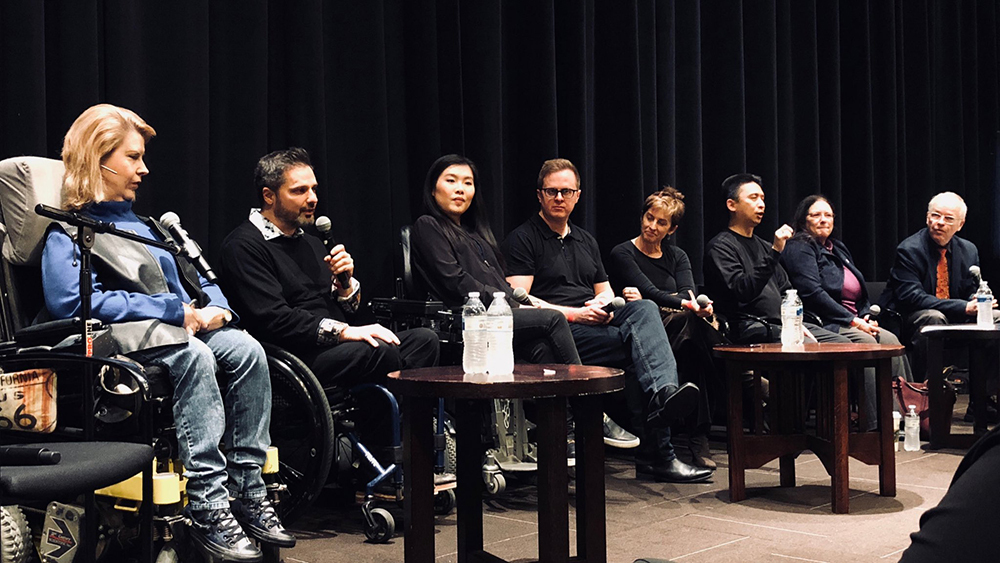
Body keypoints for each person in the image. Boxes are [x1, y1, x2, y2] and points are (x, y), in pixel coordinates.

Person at [42, 104, 292, 563]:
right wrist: (173, 311)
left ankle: (247, 488)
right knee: (193, 355)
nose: (144, 168)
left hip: (173, 332)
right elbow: (71, 303)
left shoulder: (150, 228)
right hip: (114, 345)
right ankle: (209, 503)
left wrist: (214, 308)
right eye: (133, 158)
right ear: (99, 159)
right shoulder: (68, 231)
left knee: (246, 350)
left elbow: (200, 284)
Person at [502, 158, 712, 483]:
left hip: (594, 325)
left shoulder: (586, 240)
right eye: (552, 191)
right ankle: (660, 454)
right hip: (558, 331)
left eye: (566, 191)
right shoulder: (523, 238)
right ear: (540, 195)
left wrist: (603, 304)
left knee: (644, 310)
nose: (559, 198)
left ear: (577, 195)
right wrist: (575, 313)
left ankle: (665, 394)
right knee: (644, 354)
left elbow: (606, 291)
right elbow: (520, 301)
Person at [410, 154, 638, 449]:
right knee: (553, 318)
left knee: (544, 348)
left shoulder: (476, 235)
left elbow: (499, 282)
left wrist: (513, 300)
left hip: (500, 316)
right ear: (433, 188)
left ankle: (559, 433)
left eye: (467, 183)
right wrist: (510, 300)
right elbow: (455, 282)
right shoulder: (428, 226)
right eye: (451, 181)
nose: (460, 190)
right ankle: (590, 410)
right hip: (469, 319)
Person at [218, 148, 439, 394]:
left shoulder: (312, 242)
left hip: (334, 348)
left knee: (424, 341)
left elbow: (349, 310)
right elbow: (274, 321)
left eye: (313, 189)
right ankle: (384, 430)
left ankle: (408, 426)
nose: (312, 198)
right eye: (299, 191)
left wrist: (345, 285)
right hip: (292, 356)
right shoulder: (243, 245)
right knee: (379, 351)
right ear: (269, 196)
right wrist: (345, 332)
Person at [608, 187, 726, 468]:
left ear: (671, 229)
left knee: (693, 339)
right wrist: (687, 306)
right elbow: (653, 293)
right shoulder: (623, 252)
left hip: (681, 329)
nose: (652, 226)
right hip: (645, 330)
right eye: (649, 218)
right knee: (695, 327)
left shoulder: (678, 257)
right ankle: (702, 434)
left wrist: (696, 305)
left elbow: (687, 292)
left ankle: (693, 433)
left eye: (661, 222)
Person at [780, 195, 912, 425]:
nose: (823, 220)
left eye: (828, 215)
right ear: (803, 221)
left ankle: (905, 415)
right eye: (816, 215)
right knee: (869, 345)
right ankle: (876, 424)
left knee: (892, 342)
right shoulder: (800, 247)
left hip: (851, 319)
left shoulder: (837, 247)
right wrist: (853, 321)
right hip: (825, 321)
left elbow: (858, 288)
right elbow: (812, 293)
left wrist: (865, 315)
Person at [704, 174, 849, 346]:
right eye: (753, 198)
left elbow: (786, 291)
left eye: (763, 198)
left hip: (781, 326)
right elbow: (743, 291)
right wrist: (775, 252)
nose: (761, 204)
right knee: (819, 348)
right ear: (732, 204)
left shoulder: (763, 246)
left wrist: (794, 323)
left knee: (842, 344)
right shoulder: (721, 247)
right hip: (749, 327)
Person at [881, 192, 999, 381]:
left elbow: (968, 290)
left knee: (996, 318)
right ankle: (925, 394)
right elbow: (912, 297)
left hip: (954, 316)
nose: (940, 222)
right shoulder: (909, 250)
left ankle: (984, 399)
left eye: (948, 218)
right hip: (912, 318)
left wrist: (975, 301)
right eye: (935, 215)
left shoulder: (969, 250)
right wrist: (964, 307)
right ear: (928, 218)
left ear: (960, 225)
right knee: (933, 319)